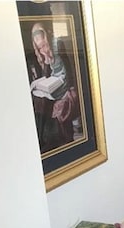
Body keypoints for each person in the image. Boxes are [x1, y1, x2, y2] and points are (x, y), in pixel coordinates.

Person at [28, 22, 80, 152]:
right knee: (40, 102)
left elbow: (66, 76)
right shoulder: (44, 55)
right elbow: (47, 76)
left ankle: (64, 140)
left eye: (44, 45)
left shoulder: (58, 51)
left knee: (53, 106)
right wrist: (45, 59)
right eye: (39, 48)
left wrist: (49, 58)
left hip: (66, 90)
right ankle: (46, 139)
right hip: (55, 89)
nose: (42, 49)